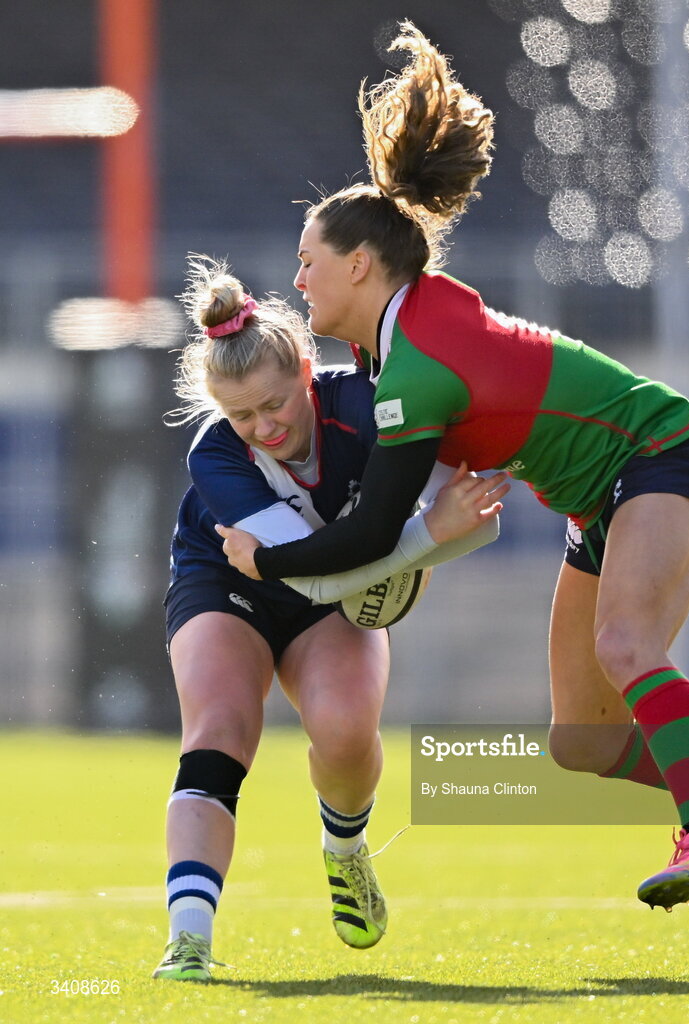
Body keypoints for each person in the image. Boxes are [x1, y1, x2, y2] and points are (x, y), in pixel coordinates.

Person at [218, 23, 689, 924]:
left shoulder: (412, 363)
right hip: (599, 499)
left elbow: (374, 532)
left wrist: (267, 565)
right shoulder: (404, 338)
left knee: (626, 649)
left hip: (661, 455)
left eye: (309, 264)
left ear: (357, 265)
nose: (298, 281)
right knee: (580, 739)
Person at [153, 256, 509, 981]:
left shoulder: (374, 407)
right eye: (241, 415)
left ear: (307, 372)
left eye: (275, 404)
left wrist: (436, 531)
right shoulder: (216, 456)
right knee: (218, 733)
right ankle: (188, 938)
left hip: (333, 584)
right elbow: (319, 570)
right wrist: (423, 540)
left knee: (346, 735)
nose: (262, 427)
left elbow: (478, 523)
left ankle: (344, 851)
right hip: (230, 583)